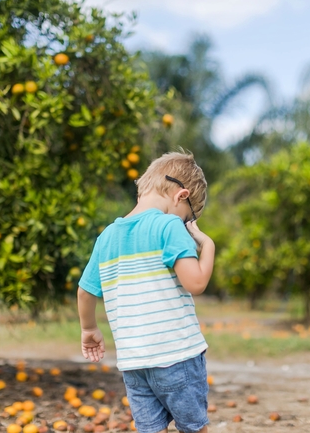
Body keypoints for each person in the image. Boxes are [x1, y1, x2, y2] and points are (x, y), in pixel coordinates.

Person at [77, 151, 215, 433]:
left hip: (135, 363)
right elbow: (196, 283)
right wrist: (208, 246)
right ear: (181, 195)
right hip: (177, 355)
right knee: (194, 428)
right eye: (188, 217)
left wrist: (89, 329)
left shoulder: (107, 237)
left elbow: (84, 291)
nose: (185, 225)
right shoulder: (168, 226)